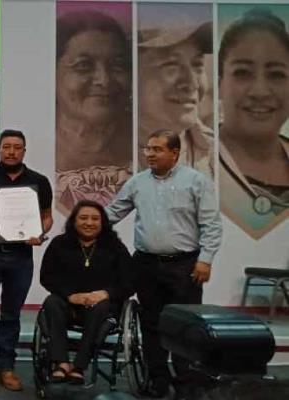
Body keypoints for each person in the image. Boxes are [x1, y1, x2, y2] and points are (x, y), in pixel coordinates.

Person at [106, 129, 222, 398]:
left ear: (174, 153)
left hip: (185, 266)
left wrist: (206, 260)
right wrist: (81, 226)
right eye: (147, 149)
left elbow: (211, 225)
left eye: (156, 149)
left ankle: (186, 382)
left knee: (186, 325)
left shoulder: (196, 182)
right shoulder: (137, 183)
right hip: (146, 265)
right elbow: (112, 213)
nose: (149, 154)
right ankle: (157, 379)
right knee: (151, 324)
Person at [0, 129, 54, 392]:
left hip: (21, 257)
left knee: (12, 315)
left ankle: (6, 367)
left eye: (17, 147)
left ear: (24, 151)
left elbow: (47, 216)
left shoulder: (39, 181)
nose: (11, 151)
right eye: (6, 147)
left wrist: (41, 231)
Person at [39, 200, 133, 385]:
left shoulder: (115, 247)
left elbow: (129, 282)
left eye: (95, 219)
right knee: (52, 302)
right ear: (74, 221)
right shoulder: (60, 244)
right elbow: (47, 277)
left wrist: (105, 294)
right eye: (83, 218)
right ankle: (62, 362)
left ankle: (80, 365)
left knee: (101, 307)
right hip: (69, 305)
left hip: (103, 308)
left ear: (102, 222)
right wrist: (70, 295)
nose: (89, 223)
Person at [217, 7, 289, 239]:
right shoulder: (192, 165)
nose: (260, 91)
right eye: (243, 73)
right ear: (219, 84)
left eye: (276, 75)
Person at [55, 10, 133, 212]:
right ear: (52, 73)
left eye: (117, 66)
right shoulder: (27, 143)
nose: (104, 80)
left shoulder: (147, 145)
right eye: (84, 66)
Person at [137, 9, 215, 178]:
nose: (192, 83)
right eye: (171, 65)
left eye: (197, 65)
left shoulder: (221, 153)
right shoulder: (100, 159)